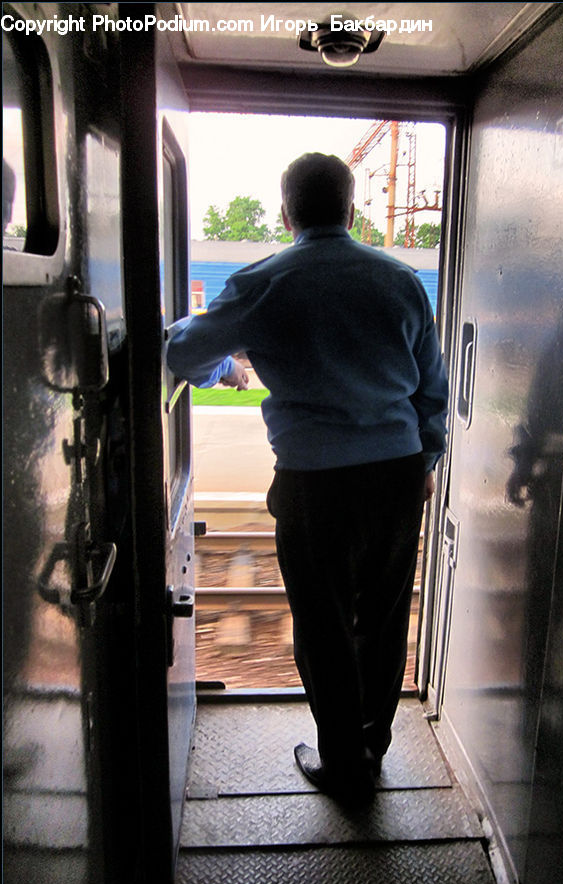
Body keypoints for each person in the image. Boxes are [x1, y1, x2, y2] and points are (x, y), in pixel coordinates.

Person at [167, 152, 449, 806]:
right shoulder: (402, 282)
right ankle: (372, 747)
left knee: (321, 622)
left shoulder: (260, 284)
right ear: (352, 211)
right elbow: (432, 391)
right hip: (396, 477)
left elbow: (181, 352)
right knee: (381, 618)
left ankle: (343, 763)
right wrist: (426, 461)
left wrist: (225, 374)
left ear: (285, 212)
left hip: (313, 482)